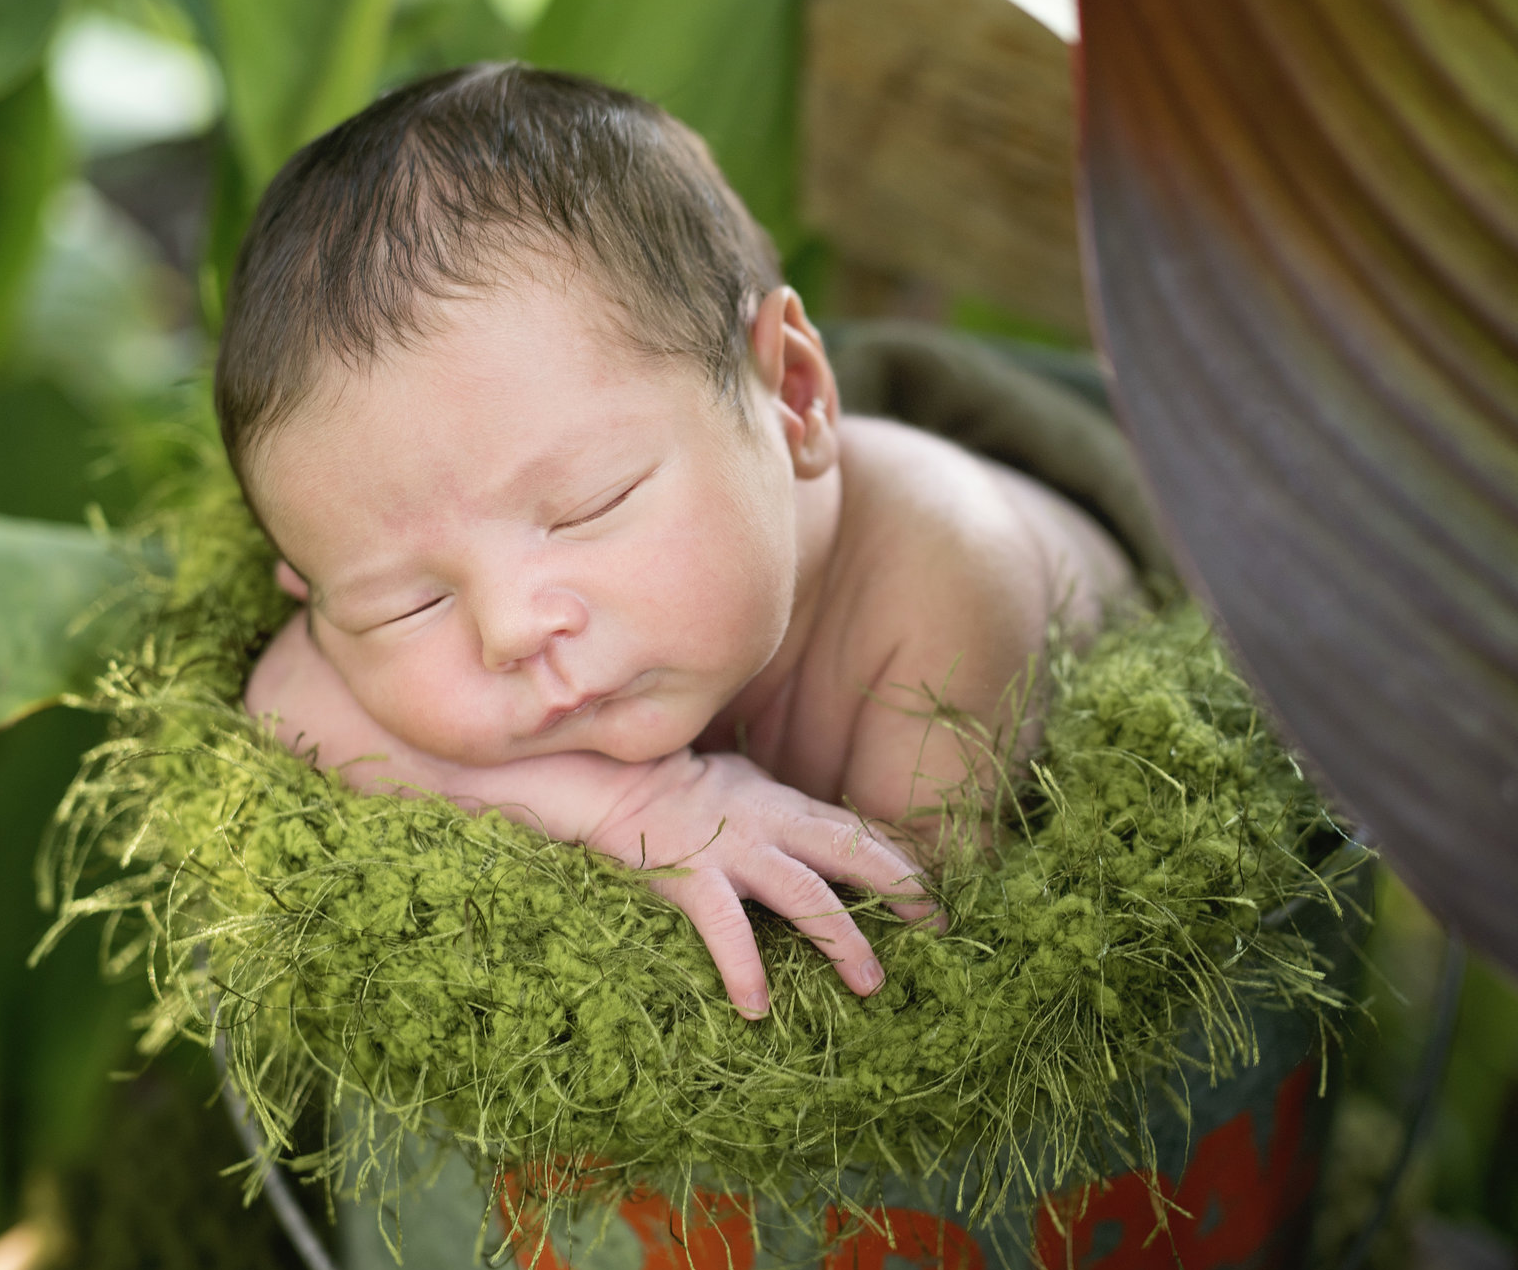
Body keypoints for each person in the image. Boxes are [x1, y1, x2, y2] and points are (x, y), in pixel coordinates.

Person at [222, 64, 1135, 1023]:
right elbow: (285, 698)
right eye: (407, 602)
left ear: (793, 398)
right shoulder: (575, 556)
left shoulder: (945, 583)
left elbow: (906, 950)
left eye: (587, 505)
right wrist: (633, 807)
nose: (508, 630)